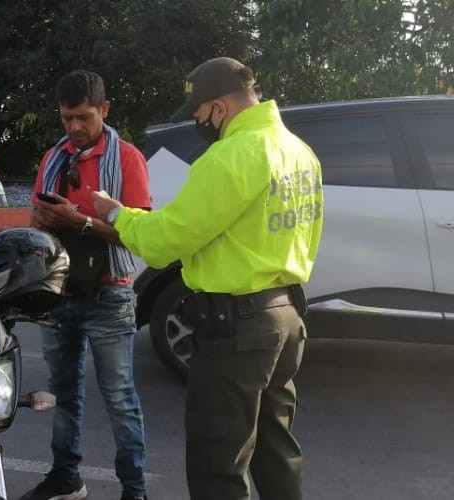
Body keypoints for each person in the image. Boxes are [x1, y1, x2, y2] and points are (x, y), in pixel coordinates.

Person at [93, 57, 323, 500]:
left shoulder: (233, 155)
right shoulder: (298, 151)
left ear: (219, 107)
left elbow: (165, 240)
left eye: (199, 115)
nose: (200, 124)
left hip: (236, 328)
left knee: (217, 463)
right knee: (275, 450)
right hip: (286, 317)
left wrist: (116, 213)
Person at [20, 70, 151, 500]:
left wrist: (82, 222)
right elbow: (37, 220)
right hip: (58, 293)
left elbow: (140, 232)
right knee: (62, 396)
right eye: (66, 118)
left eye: (84, 117)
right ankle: (66, 477)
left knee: (119, 400)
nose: (74, 127)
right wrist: (42, 219)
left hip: (109, 293)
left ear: (104, 110)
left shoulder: (127, 158)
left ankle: (135, 491)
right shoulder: (53, 157)